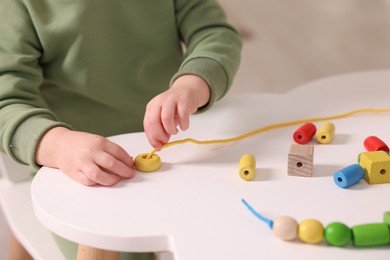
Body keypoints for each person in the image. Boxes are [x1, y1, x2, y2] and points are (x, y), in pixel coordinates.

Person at [0, 0, 242, 259]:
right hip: (79, 173)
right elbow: (7, 100)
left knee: (231, 229)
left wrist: (191, 85)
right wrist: (57, 145)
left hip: (175, 152)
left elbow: (214, 32)